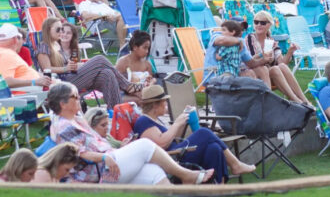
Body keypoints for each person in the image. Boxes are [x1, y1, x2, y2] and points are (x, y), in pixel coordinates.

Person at [46, 82, 212, 185]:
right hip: (100, 172)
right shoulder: (63, 126)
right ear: (63, 103)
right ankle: (187, 176)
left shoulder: (73, 117)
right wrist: (104, 157)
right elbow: (80, 153)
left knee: (154, 172)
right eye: (75, 96)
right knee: (145, 146)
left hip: (111, 161)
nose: (79, 98)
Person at [134, 84, 255, 183]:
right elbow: (161, 144)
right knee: (204, 132)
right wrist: (176, 123)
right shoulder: (143, 121)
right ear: (155, 104)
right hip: (172, 160)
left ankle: (218, 189)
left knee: (214, 148)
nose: (166, 105)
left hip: (178, 152)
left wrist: (182, 123)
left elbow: (174, 140)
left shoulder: (155, 120)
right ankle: (235, 164)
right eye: (164, 102)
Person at [34, 17, 134, 109]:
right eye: (58, 29)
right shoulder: (43, 46)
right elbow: (46, 69)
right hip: (60, 82)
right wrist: (66, 68)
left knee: (107, 74)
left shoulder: (57, 45)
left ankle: (117, 113)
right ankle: (127, 85)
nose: (61, 32)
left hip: (71, 77)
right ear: (48, 29)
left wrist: (74, 66)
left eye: (62, 29)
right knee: (99, 59)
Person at [243, 10, 310, 103]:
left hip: (269, 73)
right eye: (256, 22)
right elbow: (251, 62)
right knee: (272, 69)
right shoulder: (250, 38)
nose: (258, 25)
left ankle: (303, 100)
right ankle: (297, 101)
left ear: (269, 25)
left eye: (262, 23)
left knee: (280, 67)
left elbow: (282, 63)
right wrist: (263, 57)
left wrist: (290, 52)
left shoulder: (271, 41)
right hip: (255, 72)